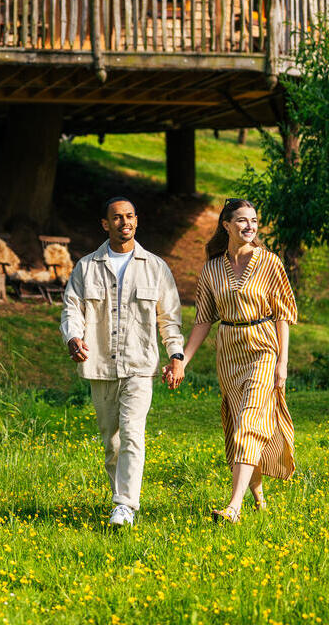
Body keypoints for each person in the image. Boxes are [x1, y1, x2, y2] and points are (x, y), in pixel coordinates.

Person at [60, 196, 185, 527]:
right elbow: (71, 308)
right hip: (100, 365)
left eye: (129, 217)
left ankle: (125, 504)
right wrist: (73, 338)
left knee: (132, 433)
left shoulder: (155, 267)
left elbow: (169, 318)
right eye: (116, 218)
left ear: (137, 221)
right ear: (106, 224)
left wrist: (176, 355)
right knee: (111, 442)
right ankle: (122, 501)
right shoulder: (86, 267)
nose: (124, 222)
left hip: (139, 366)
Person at [180, 197, 297, 523]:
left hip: (263, 348)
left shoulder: (270, 263)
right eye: (243, 221)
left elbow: (282, 315)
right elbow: (203, 319)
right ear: (226, 225)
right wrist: (184, 360)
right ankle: (256, 491)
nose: (250, 226)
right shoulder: (213, 268)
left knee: (249, 424)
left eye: (254, 221)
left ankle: (233, 508)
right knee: (240, 430)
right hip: (229, 352)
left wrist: (282, 362)